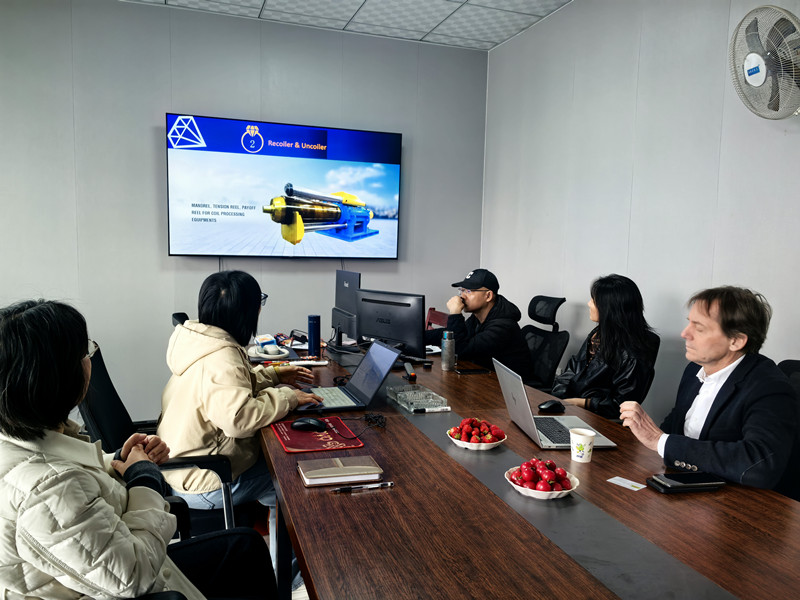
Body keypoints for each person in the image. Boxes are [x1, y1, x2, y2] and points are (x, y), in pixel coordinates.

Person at [0, 299, 274, 600]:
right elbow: (134, 576)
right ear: (59, 379)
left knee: (245, 546)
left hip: (113, 557)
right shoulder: (48, 492)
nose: (88, 360)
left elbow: (69, 476)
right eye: (84, 353)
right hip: (136, 578)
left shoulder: (22, 438)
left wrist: (117, 461)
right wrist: (145, 478)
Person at [157, 271, 320, 525]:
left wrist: (274, 375)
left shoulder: (203, 341)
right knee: (291, 476)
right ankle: (284, 552)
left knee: (280, 462)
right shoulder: (221, 358)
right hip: (207, 480)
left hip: (182, 467)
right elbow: (240, 419)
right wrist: (289, 397)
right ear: (246, 313)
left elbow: (233, 386)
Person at [620, 286, 800, 500]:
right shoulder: (694, 370)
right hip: (688, 492)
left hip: (740, 506)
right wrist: (645, 436)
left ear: (736, 341)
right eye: (689, 322)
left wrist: (660, 440)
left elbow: (759, 464)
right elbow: (675, 427)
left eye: (699, 328)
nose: (685, 333)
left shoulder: (770, 387)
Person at [551, 274, 660, 419]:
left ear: (609, 308)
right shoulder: (599, 333)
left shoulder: (634, 352)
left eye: (593, 300)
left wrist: (583, 403)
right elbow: (573, 368)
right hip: (574, 411)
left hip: (599, 420)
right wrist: (559, 397)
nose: (589, 304)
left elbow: (621, 404)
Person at [424, 268, 532, 376]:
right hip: (486, 377)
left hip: (509, 385)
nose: (462, 296)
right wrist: (419, 336)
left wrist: (455, 314)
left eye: (468, 291)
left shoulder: (503, 326)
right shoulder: (478, 317)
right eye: (462, 290)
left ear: (488, 296)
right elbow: (455, 334)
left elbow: (461, 350)